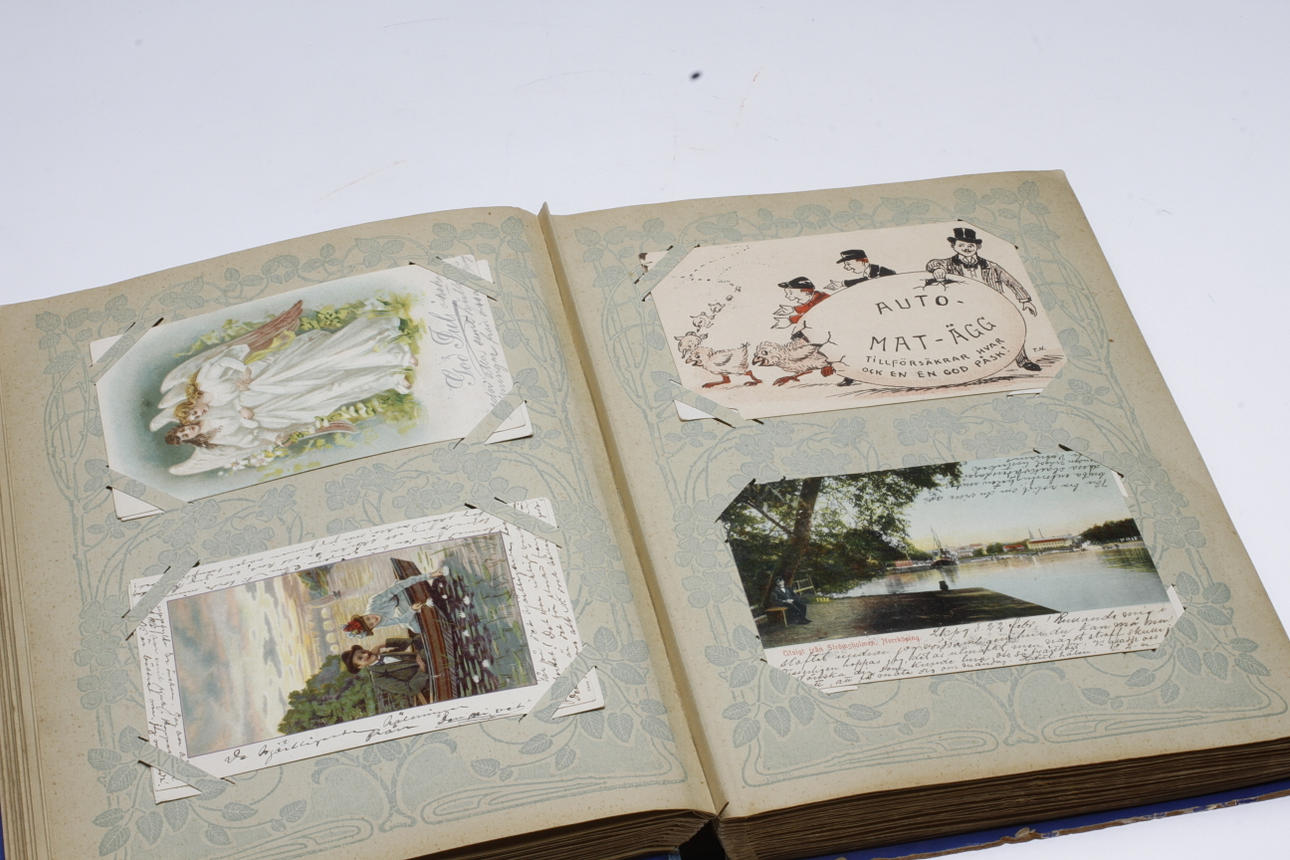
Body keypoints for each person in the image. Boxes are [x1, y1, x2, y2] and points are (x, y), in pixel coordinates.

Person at [926, 227, 1043, 372]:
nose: (966, 248)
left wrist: (1025, 300)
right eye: (961, 245)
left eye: (970, 245)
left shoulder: (991, 266)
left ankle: (1023, 360)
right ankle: (969, 367)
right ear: (953, 246)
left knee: (1012, 329)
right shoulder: (947, 264)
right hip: (962, 307)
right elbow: (932, 264)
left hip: (992, 304)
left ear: (978, 246)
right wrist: (937, 270)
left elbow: (1011, 281)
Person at [341, 638, 429, 698]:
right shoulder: (379, 678)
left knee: (421, 639)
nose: (366, 654)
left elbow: (409, 642)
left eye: (363, 651)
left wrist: (381, 645)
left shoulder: (384, 655)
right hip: (429, 676)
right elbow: (410, 689)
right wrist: (422, 669)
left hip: (428, 657)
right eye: (360, 658)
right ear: (361, 666)